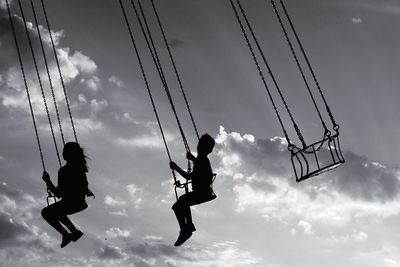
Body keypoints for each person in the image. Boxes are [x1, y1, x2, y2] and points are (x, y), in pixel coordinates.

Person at [41, 142, 94, 248]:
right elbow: (82, 185)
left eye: (65, 151)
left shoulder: (64, 171)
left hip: (71, 203)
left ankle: (67, 234)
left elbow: (58, 194)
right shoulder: (81, 168)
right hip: (79, 203)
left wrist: (47, 181)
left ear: (69, 154)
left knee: (46, 212)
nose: (63, 153)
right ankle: (73, 232)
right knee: (56, 212)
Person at [169, 133, 216, 246]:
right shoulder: (202, 159)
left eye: (200, 145)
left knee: (178, 205)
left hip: (202, 193)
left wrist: (176, 168)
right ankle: (188, 226)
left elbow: (189, 176)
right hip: (203, 193)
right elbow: (200, 165)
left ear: (202, 148)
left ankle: (186, 230)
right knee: (183, 201)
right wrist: (193, 159)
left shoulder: (202, 160)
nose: (198, 147)